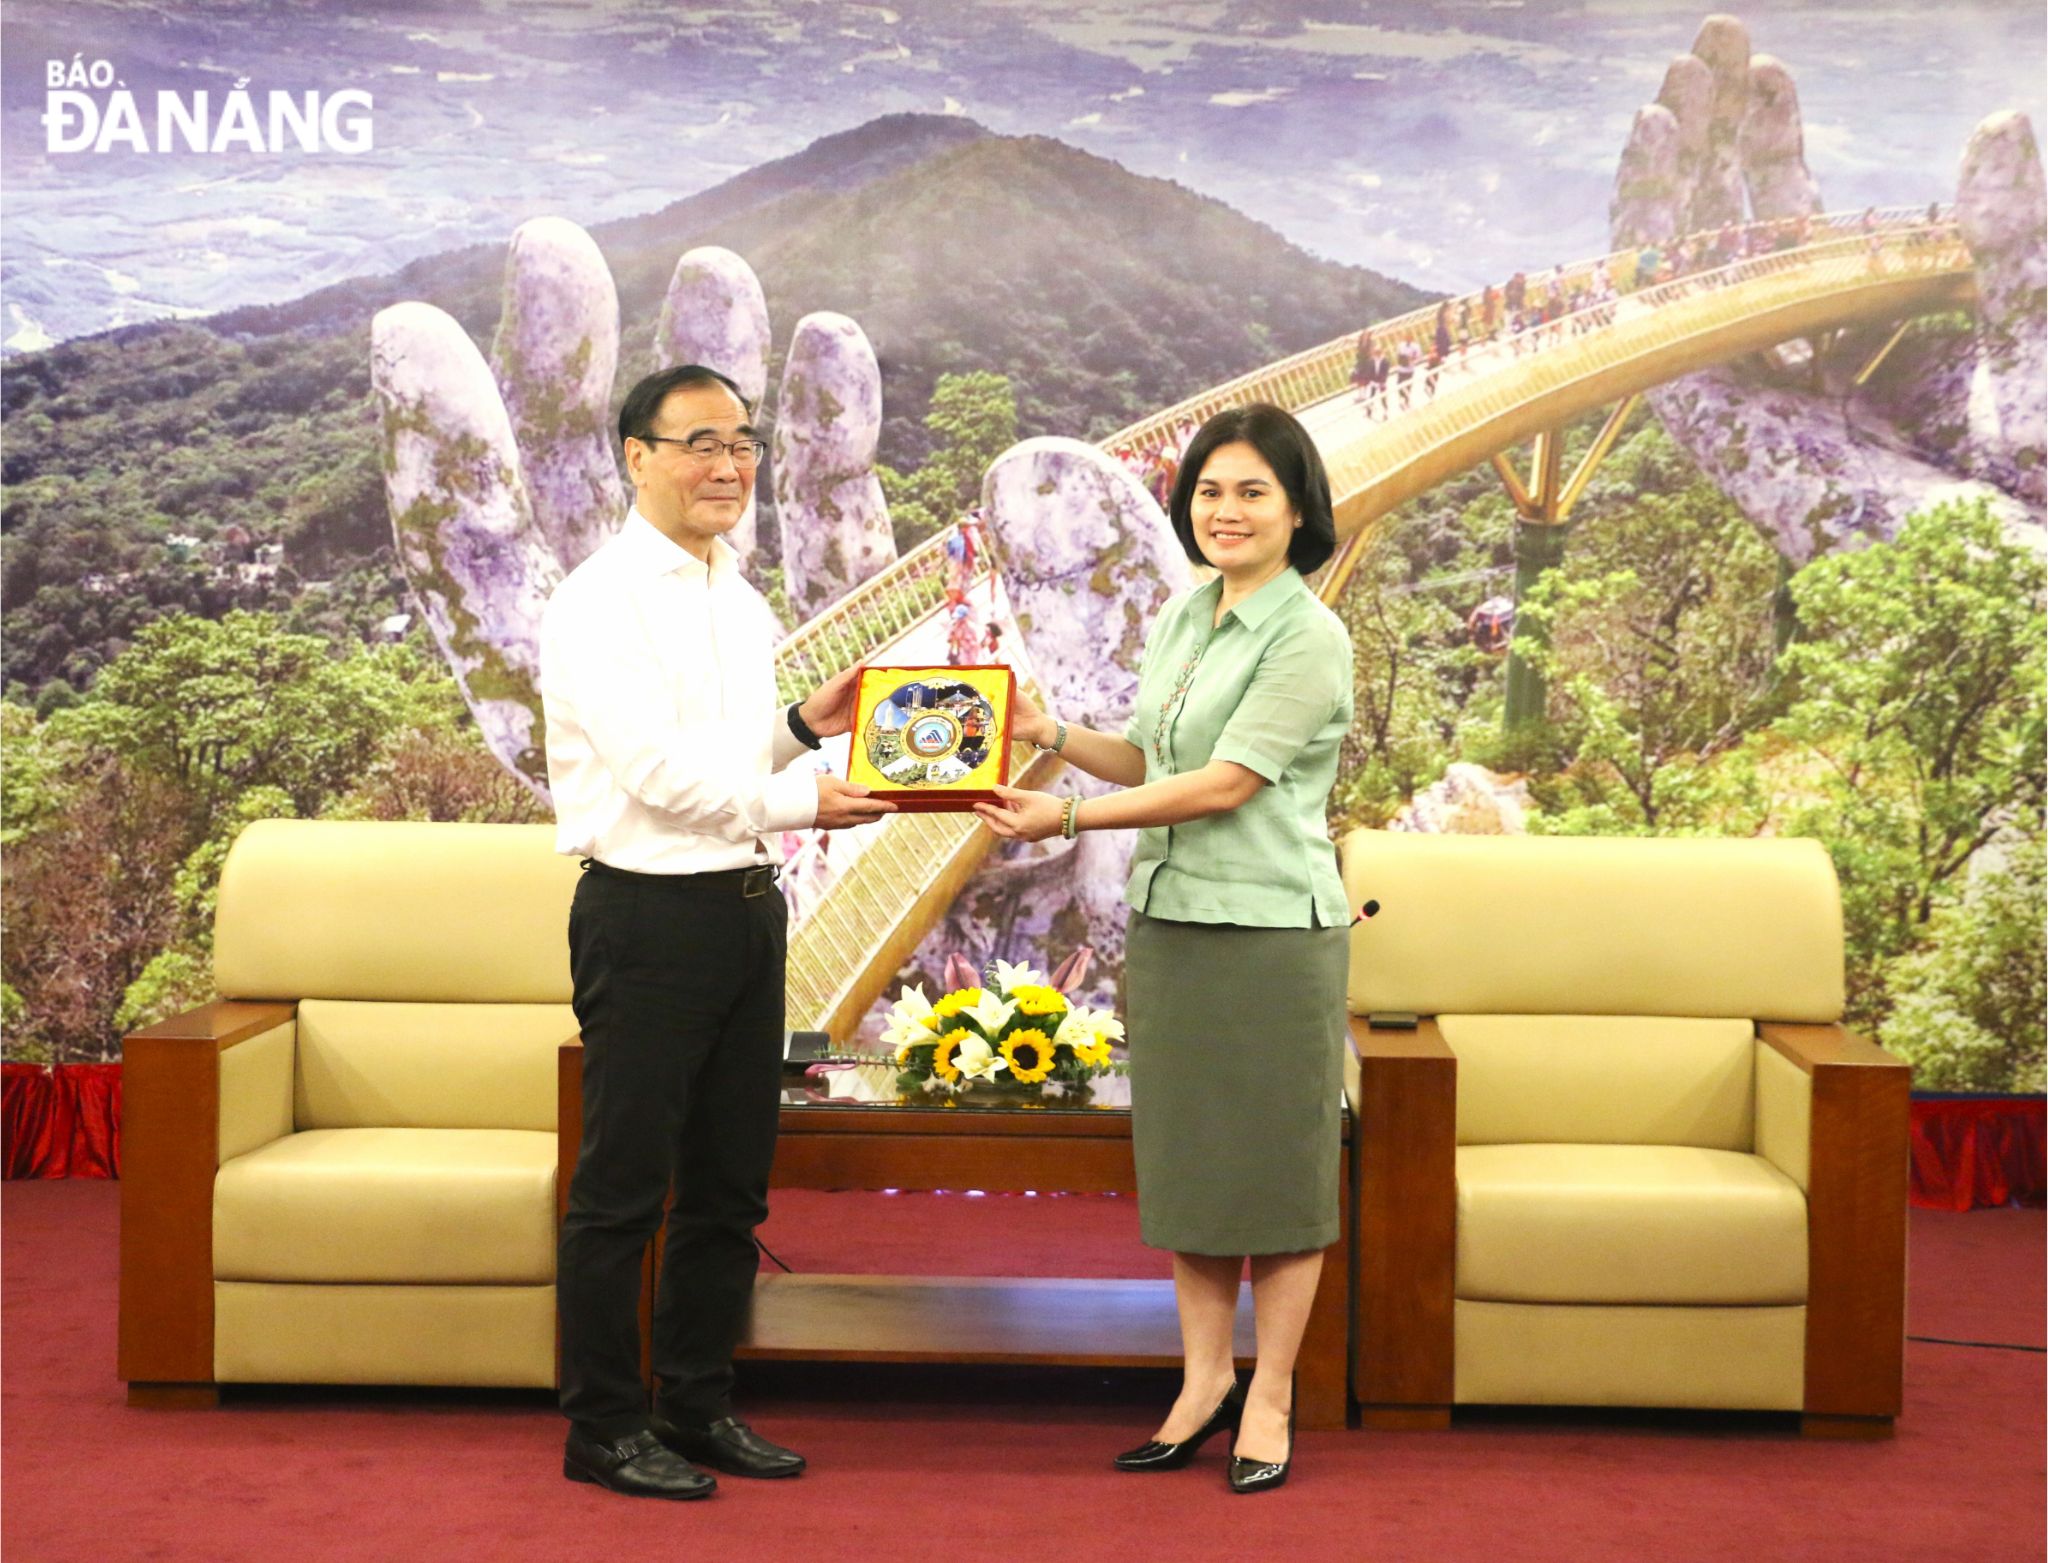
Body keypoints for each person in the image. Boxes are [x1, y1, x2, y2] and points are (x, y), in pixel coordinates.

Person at [975, 403, 1352, 1497]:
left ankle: (1267, 1395)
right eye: (1207, 492)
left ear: (1295, 512)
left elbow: (1228, 782)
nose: (1224, 512)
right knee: (1191, 1174)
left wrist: (1069, 821)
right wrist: (1049, 736)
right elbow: (1149, 755)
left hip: (1274, 935)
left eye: (1250, 493)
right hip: (1175, 927)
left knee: (1274, 1179)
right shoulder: (1187, 618)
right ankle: (1199, 1386)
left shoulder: (1305, 636)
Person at [541, 364, 896, 1501]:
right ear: (635, 456)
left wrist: (800, 727)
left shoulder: (737, 598)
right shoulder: (598, 599)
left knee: (729, 1188)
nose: (727, 463)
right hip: (644, 918)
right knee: (622, 1192)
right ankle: (602, 1426)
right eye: (698, 442)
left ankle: (694, 1405)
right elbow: (652, 776)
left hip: (747, 911)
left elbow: (729, 757)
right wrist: (804, 798)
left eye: (740, 441)